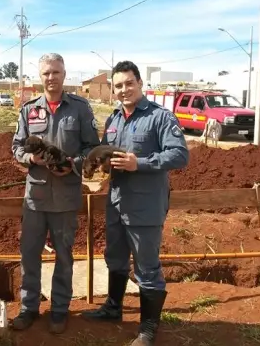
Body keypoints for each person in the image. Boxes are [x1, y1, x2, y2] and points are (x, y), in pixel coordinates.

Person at [82, 60, 189, 346]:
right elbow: (106, 153)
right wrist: (100, 164)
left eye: (129, 83)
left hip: (145, 206)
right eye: (118, 85)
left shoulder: (160, 117)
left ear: (140, 83)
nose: (124, 89)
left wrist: (137, 163)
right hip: (116, 202)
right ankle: (113, 308)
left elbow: (179, 155)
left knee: (146, 266)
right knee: (115, 258)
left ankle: (148, 329)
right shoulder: (114, 120)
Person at [11, 53, 100, 334]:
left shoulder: (80, 109)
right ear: (41, 77)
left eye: (56, 72)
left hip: (65, 196)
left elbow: (92, 148)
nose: (51, 78)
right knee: (29, 254)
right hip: (34, 198)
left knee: (64, 255)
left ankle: (59, 310)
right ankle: (28, 308)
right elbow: (16, 147)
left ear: (64, 74)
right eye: (46, 73)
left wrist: (72, 165)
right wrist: (31, 160)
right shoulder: (28, 110)